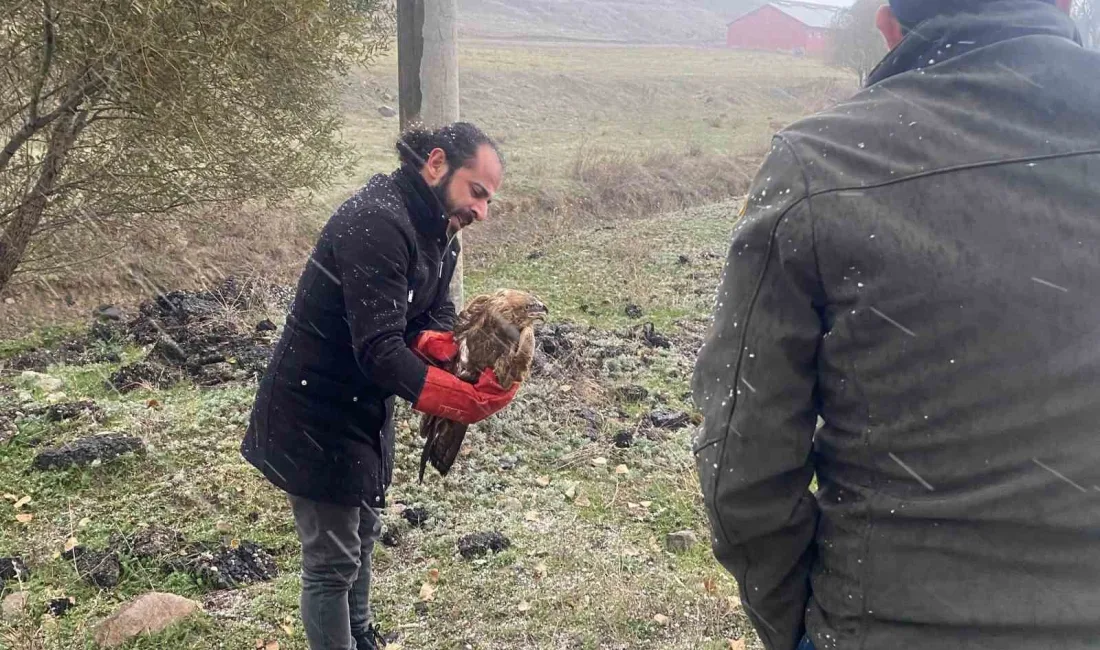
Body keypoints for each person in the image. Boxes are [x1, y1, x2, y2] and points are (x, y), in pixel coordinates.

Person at [692, 1, 1100, 649]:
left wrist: (803, 625)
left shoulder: (817, 165)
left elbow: (740, 465)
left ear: (888, 25)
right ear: (1065, 4)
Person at [241, 122, 517, 650]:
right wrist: (458, 399)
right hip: (313, 409)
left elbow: (434, 315)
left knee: (364, 531)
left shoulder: (438, 232)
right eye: (477, 193)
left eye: (488, 200)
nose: (482, 211)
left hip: (363, 407)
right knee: (330, 563)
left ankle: (361, 635)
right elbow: (379, 348)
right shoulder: (377, 222)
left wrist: (454, 355)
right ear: (436, 164)